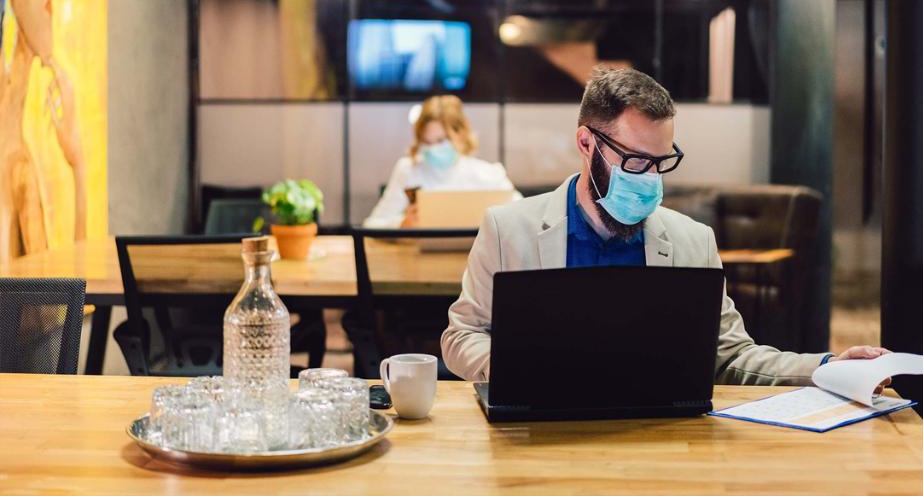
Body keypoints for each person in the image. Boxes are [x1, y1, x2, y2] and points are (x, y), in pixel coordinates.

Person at [441, 67, 892, 385]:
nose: (651, 179)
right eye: (637, 161)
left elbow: (732, 355)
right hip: (536, 431)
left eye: (663, 162)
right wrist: (520, 370)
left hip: (663, 437)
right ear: (586, 143)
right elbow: (461, 335)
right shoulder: (508, 229)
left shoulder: (692, 241)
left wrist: (831, 366)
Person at [0, 0, 86, 265]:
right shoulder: (15, 166)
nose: (51, 0)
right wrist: (79, 168)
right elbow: (56, 310)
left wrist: (77, 164)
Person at [363, 95, 519, 228]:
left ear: (461, 134)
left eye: (441, 140)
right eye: (426, 142)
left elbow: (523, 216)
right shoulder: (409, 169)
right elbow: (373, 224)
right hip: (418, 260)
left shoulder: (488, 174)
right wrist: (403, 224)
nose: (433, 149)